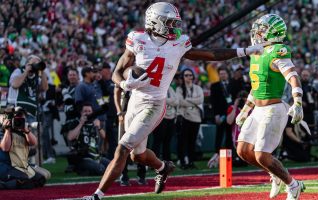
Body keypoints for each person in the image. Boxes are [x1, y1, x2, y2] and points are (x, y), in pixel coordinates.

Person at [85, 2, 264, 199]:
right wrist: (125, 84)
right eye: (169, 23)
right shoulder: (137, 39)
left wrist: (245, 51)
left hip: (154, 104)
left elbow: (210, 54)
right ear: (155, 22)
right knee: (138, 155)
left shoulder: (178, 44)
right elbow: (116, 73)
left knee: (123, 148)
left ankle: (97, 195)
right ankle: (163, 167)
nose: (174, 27)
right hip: (135, 101)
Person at [234, 14, 305, 200]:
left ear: (274, 33)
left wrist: (298, 101)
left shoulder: (278, 50)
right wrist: (245, 109)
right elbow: (256, 86)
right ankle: (275, 174)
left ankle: (293, 185)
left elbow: (293, 76)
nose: (258, 32)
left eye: (262, 29)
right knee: (242, 150)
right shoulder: (256, 52)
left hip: (274, 109)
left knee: (262, 155)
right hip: (258, 110)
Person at [0, 106, 50, 189]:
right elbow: (5, 148)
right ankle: (3, 185)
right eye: (17, 115)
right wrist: (8, 130)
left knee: (42, 178)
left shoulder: (22, 129)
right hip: (5, 165)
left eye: (21, 115)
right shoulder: (2, 130)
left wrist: (26, 131)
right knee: (25, 178)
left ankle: (16, 182)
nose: (19, 118)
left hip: (20, 165)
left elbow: (34, 143)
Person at [65, 102, 109, 176]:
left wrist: (99, 127)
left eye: (89, 111)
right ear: (81, 112)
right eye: (85, 111)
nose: (87, 113)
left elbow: (104, 137)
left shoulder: (95, 123)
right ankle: (81, 169)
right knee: (101, 169)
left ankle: (86, 171)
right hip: (84, 158)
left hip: (97, 157)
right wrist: (81, 123)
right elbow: (70, 137)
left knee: (114, 167)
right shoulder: (76, 122)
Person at [176, 68, 204, 169]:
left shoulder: (198, 88)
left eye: (190, 75)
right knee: (182, 141)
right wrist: (193, 101)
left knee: (192, 141)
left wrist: (188, 99)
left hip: (196, 117)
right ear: (183, 77)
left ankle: (191, 161)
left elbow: (200, 100)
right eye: (186, 75)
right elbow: (180, 102)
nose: (189, 77)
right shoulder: (179, 89)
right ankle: (183, 161)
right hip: (184, 116)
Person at [7, 55, 48, 123]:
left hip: (31, 113)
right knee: (16, 132)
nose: (36, 64)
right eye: (34, 62)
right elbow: (14, 84)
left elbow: (45, 88)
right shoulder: (18, 71)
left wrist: (42, 71)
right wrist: (26, 72)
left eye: (38, 63)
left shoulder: (37, 76)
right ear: (27, 63)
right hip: (16, 110)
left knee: (32, 132)